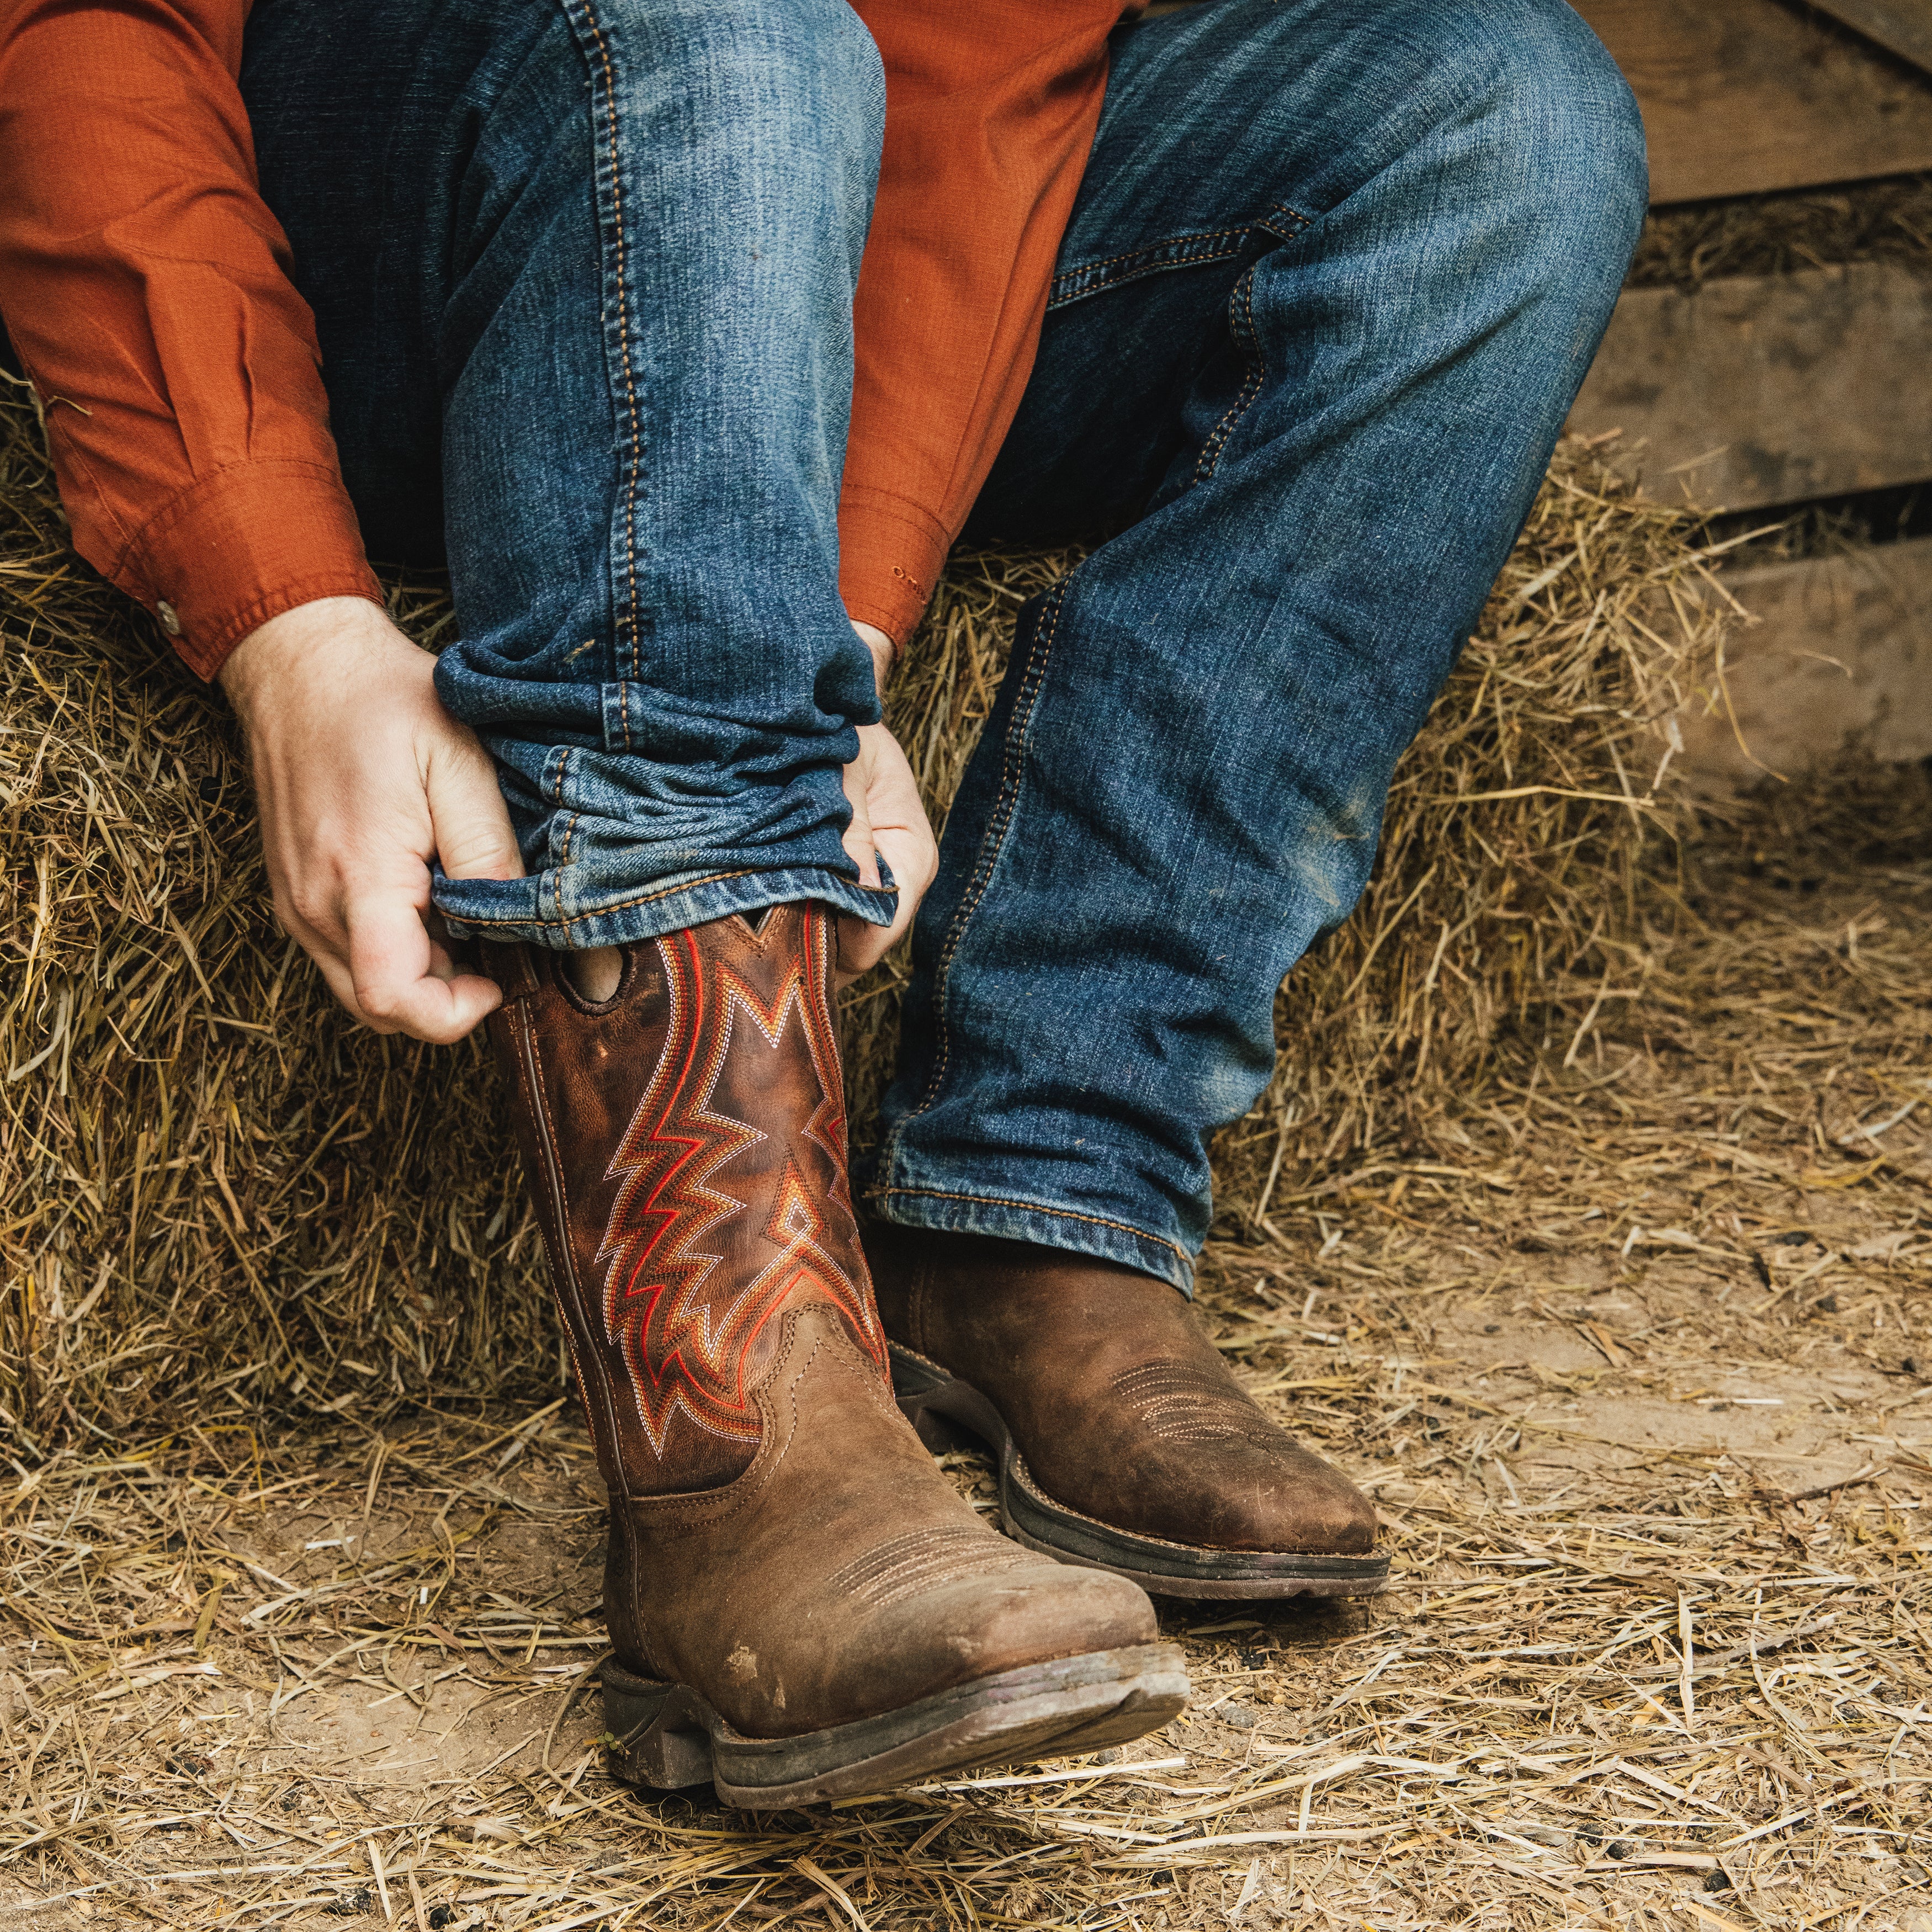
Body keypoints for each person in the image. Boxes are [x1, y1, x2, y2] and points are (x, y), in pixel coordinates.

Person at [0, 0, 1645, 1803]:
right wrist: (282, 608)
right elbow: (91, 30)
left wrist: (846, 606)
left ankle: (1034, 1202)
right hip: (382, 229)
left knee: (1495, 122)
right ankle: (733, 1412)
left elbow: (977, 37)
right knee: (723, 24)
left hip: (805, 205)